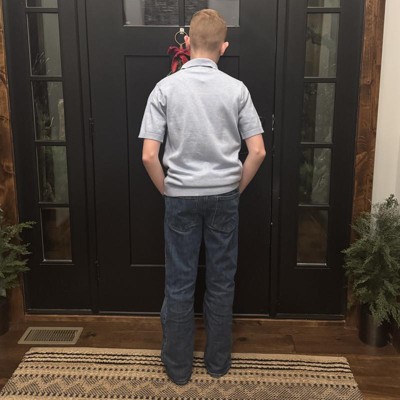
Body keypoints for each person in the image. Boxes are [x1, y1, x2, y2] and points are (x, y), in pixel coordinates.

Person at [138, 9, 266, 385]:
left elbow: (148, 155)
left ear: (188, 42)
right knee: (222, 282)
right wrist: (235, 188)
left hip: (180, 197)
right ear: (223, 47)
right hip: (224, 196)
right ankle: (218, 364)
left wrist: (169, 190)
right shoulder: (237, 90)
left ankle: (178, 370)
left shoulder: (165, 88)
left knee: (179, 283)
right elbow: (258, 151)